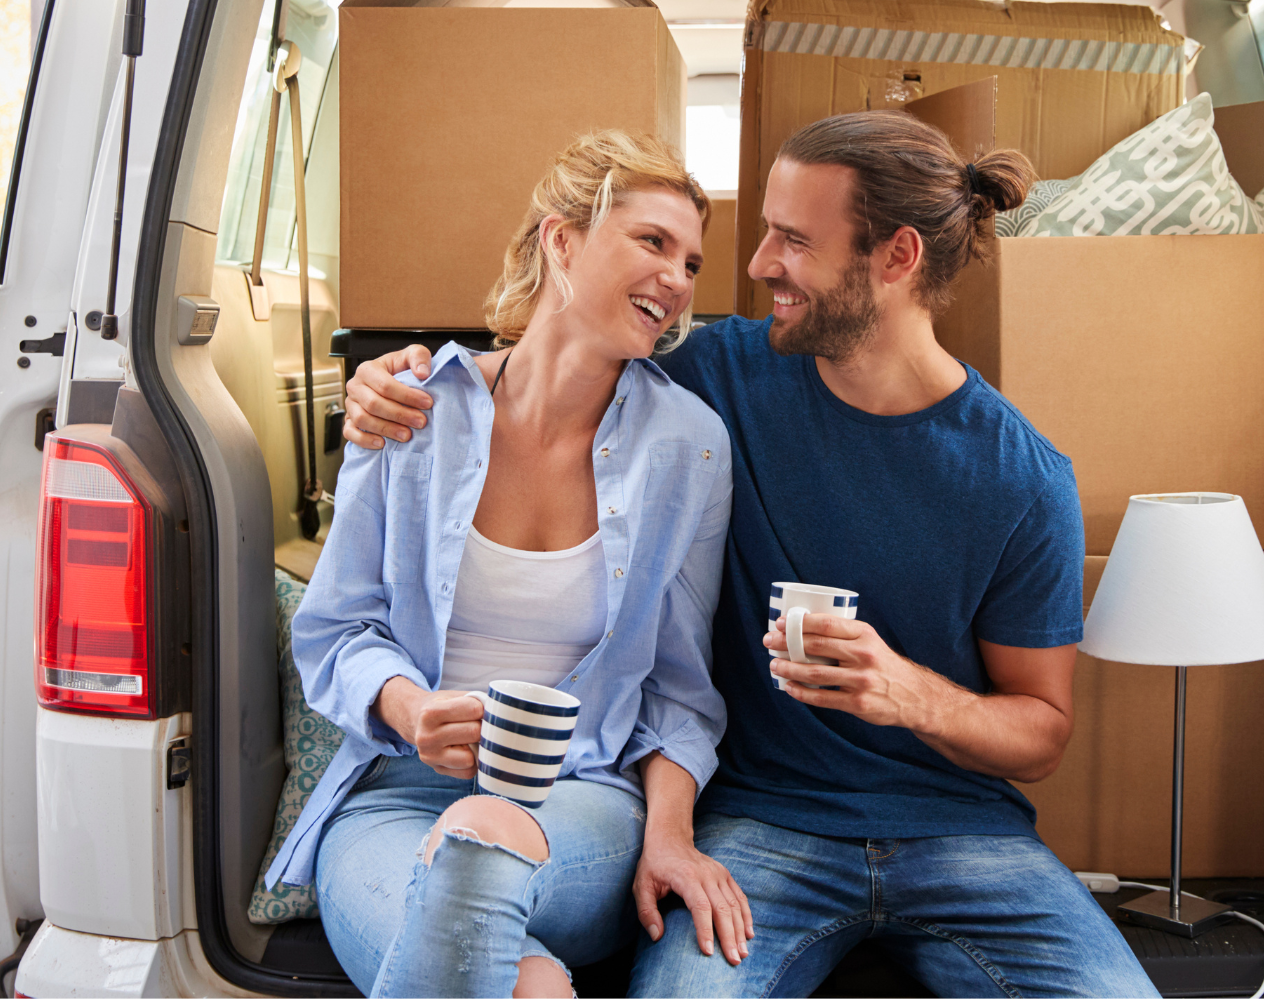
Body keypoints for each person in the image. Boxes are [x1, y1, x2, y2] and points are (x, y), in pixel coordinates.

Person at [341, 112, 1160, 998]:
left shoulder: (1023, 479)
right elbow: (563, 348)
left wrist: (906, 691)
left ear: (896, 258)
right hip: (763, 824)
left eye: (793, 240)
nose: (758, 263)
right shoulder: (718, 373)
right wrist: (397, 380)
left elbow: (1040, 733)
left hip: (967, 836)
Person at [268, 131, 755, 999]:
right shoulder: (412, 411)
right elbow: (338, 631)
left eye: (690, 261)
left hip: (581, 807)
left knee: (482, 838)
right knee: (520, 983)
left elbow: (680, 690)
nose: (679, 281)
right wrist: (412, 709)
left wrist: (670, 837)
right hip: (393, 797)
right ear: (560, 242)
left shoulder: (690, 446)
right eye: (652, 243)